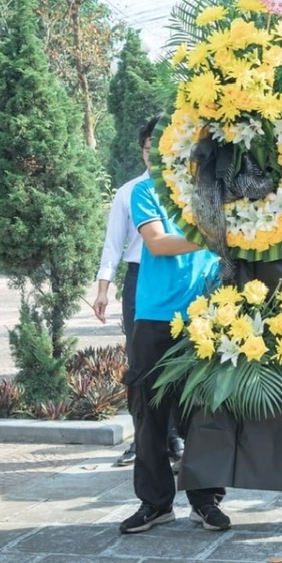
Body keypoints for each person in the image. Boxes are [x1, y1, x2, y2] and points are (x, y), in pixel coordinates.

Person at [119, 176, 229, 535]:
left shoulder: (209, 187)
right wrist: (214, 237)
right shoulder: (146, 191)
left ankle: (205, 501)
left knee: (203, 412)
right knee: (149, 412)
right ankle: (155, 503)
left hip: (204, 311)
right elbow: (157, 242)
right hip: (155, 315)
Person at [92, 114, 184, 468]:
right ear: (143, 150)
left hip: (181, 278)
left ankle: (175, 437)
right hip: (141, 280)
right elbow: (112, 246)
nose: (155, 154)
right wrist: (103, 290)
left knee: (182, 363)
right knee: (142, 367)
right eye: (149, 148)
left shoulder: (188, 188)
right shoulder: (131, 192)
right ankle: (144, 440)